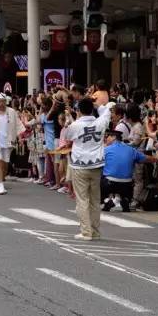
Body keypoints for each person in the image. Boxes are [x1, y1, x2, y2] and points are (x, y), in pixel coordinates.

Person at [62, 98, 108, 241]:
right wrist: (96, 105)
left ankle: (86, 231)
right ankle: (95, 231)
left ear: (79, 110)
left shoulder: (75, 125)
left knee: (82, 199)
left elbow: (67, 136)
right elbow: (106, 110)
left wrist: (71, 119)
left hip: (80, 164)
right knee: (95, 199)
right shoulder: (100, 122)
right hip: (96, 164)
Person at [101, 128, 151, 212]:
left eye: (107, 136)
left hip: (109, 183)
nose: (105, 139)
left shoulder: (106, 150)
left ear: (114, 137)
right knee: (128, 183)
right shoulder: (131, 150)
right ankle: (125, 199)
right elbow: (147, 158)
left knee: (99, 176)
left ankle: (107, 200)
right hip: (127, 184)